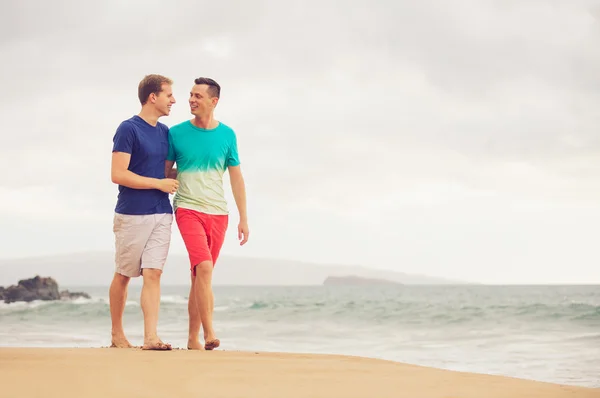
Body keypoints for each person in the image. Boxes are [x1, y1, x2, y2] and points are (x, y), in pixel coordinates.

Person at [165, 77, 249, 350]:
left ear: (214, 101)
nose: (191, 99)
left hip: (218, 213)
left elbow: (236, 179)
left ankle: (191, 340)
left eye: (198, 96)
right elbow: (166, 173)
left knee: (199, 276)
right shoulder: (175, 133)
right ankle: (209, 333)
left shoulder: (227, 135)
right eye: (190, 94)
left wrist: (243, 218)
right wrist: (185, 174)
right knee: (204, 268)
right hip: (188, 208)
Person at [109, 74, 178, 350]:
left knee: (153, 274)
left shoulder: (165, 132)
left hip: (162, 212)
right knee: (124, 274)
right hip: (132, 214)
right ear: (153, 97)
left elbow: (162, 172)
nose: (173, 100)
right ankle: (117, 334)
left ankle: (151, 337)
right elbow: (118, 174)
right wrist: (158, 183)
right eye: (168, 94)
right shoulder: (128, 129)